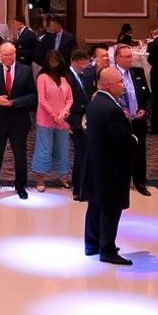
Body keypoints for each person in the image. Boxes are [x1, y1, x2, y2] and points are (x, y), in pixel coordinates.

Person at [83, 66, 137, 265]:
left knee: (96, 205)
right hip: (112, 168)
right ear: (110, 85)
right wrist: (135, 140)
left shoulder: (95, 102)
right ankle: (107, 249)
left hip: (98, 165)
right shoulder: (112, 109)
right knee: (111, 209)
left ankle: (92, 243)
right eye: (121, 82)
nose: (124, 86)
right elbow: (123, 140)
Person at [0, 42, 37, 200]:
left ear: (15, 54)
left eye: (10, 54)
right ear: (0, 55)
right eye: (4, 55)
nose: (8, 57)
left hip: (18, 120)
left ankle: (20, 186)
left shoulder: (25, 70)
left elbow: (33, 96)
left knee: (20, 156)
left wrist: (14, 102)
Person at [31, 49, 72, 192]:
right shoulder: (42, 77)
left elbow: (70, 99)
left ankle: (63, 176)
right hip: (45, 120)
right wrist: (54, 115)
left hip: (62, 121)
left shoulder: (65, 78)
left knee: (63, 149)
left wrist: (63, 113)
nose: (54, 62)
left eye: (56, 60)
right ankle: (40, 178)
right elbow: (42, 99)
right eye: (51, 60)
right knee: (44, 149)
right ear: (47, 61)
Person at [115, 43, 151, 196]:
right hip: (120, 120)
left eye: (132, 56)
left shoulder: (138, 72)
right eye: (127, 57)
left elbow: (147, 96)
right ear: (118, 57)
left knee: (140, 151)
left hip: (138, 120)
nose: (131, 59)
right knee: (119, 152)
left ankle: (140, 182)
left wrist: (145, 109)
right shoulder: (111, 73)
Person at [64, 49, 90, 201]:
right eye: (83, 64)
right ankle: (78, 187)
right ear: (75, 61)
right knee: (81, 153)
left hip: (85, 119)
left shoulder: (83, 75)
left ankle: (82, 185)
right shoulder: (67, 76)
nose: (85, 67)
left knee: (84, 152)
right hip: (73, 119)